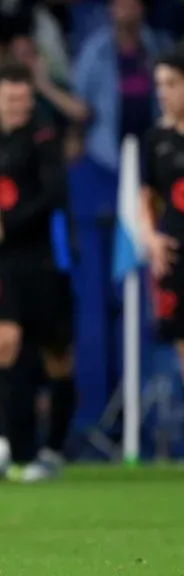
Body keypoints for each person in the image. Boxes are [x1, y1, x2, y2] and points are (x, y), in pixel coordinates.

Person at [0, 62, 75, 482]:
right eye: (12, 98)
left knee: (57, 358)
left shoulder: (45, 136)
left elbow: (54, 194)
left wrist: (5, 227)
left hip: (45, 260)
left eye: (25, 98)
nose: (19, 106)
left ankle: (52, 450)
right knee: (0, 344)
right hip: (6, 263)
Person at [143, 51, 184, 407]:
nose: (163, 92)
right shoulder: (156, 139)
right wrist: (151, 237)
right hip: (175, 254)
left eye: (171, 83)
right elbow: (146, 199)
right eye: (160, 84)